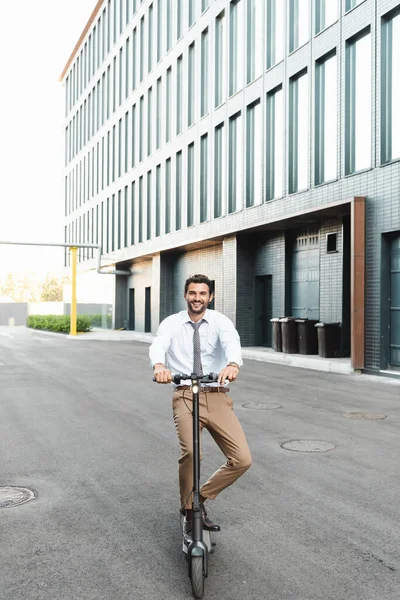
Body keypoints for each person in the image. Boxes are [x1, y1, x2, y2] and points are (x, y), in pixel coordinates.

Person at [149, 273, 252, 533]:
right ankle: (188, 509)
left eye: (203, 294)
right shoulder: (171, 323)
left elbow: (232, 344)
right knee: (192, 453)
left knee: (242, 459)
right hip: (185, 393)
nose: (197, 298)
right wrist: (159, 365)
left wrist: (232, 364)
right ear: (185, 295)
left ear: (210, 296)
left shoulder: (220, 322)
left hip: (217, 395)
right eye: (193, 293)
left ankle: (198, 499)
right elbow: (159, 344)